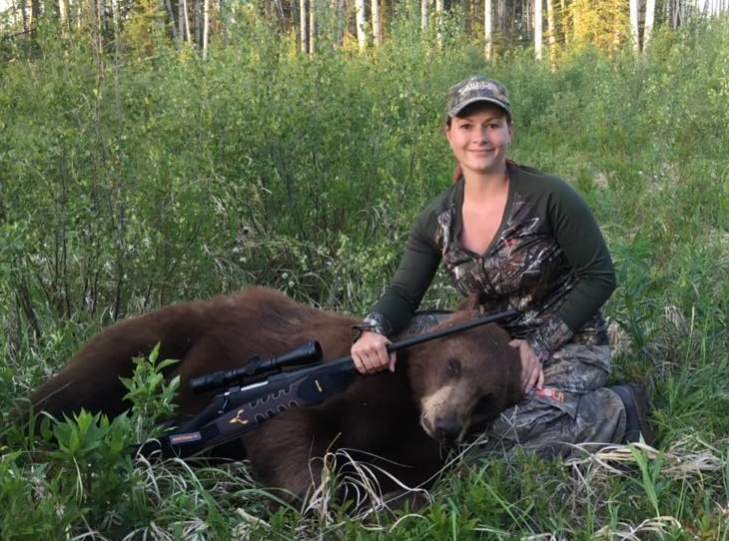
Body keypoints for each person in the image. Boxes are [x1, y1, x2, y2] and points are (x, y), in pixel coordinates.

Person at [349, 76, 653, 457]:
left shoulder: (549, 197)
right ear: (449, 134)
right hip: (487, 342)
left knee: (502, 439)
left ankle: (619, 410)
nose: (480, 137)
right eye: (467, 126)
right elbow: (404, 293)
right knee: (389, 347)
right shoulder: (439, 217)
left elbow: (600, 277)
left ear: (509, 131)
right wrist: (373, 330)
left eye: (492, 125)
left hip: (568, 341)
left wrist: (539, 344)